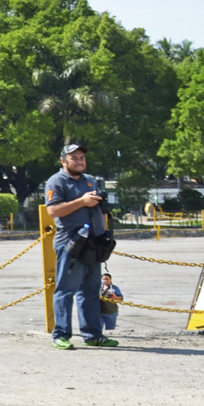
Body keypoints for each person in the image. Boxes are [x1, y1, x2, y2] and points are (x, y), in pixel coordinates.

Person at [44, 142, 117, 348]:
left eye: (82, 157)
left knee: (90, 291)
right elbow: (54, 211)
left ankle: (93, 335)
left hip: (93, 243)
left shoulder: (89, 181)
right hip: (71, 243)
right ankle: (61, 335)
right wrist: (82, 202)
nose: (79, 161)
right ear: (63, 161)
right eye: (74, 157)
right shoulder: (56, 181)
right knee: (66, 290)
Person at [99, 269, 125, 334]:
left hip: (111, 311)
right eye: (103, 279)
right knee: (99, 327)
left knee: (110, 329)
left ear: (110, 280)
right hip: (99, 311)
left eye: (107, 279)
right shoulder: (99, 288)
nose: (105, 281)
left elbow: (121, 298)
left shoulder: (114, 288)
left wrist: (115, 297)